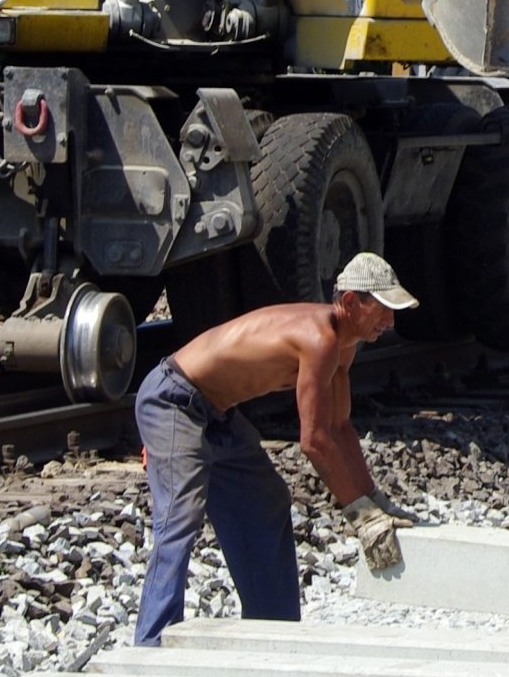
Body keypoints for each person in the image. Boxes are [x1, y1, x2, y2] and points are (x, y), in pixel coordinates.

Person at [131, 253, 424, 645]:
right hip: (174, 400)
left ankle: (272, 634)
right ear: (351, 302)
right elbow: (314, 440)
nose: (390, 323)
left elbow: (340, 426)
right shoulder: (319, 339)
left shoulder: (343, 345)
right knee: (179, 519)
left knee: (266, 501)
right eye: (383, 310)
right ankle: (150, 648)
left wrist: (373, 500)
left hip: (216, 412)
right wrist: (359, 514)